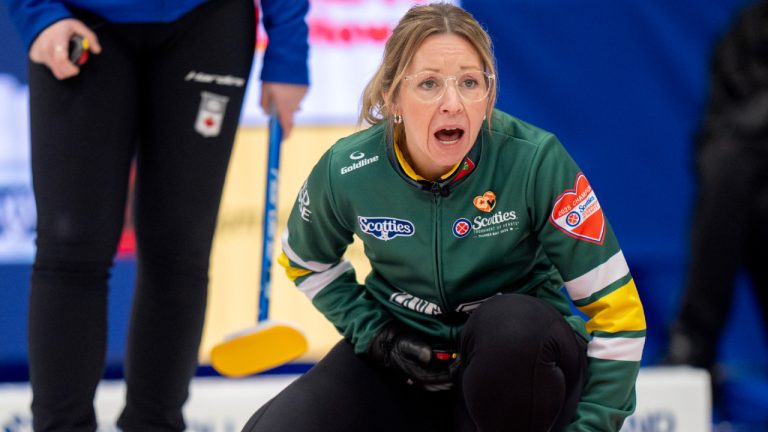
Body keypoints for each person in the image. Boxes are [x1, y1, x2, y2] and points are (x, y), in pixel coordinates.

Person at [241, 3, 645, 431]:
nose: (453, 104)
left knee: (511, 329)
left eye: (470, 83)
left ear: (489, 95)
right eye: (429, 84)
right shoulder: (348, 169)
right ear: (392, 96)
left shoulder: (535, 160)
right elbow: (305, 261)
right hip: (408, 365)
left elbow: (619, 315)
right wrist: (377, 336)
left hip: (521, 371)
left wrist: (594, 426)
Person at [4, 0, 309, 430]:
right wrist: (37, 15)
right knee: (70, 248)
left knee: (179, 250)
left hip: (207, 22)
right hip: (78, 21)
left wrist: (289, 52)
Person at [665, 0, 768, 399]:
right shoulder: (748, 32)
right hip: (753, 207)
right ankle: (693, 344)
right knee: (730, 173)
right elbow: (710, 141)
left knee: (731, 162)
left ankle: (693, 340)